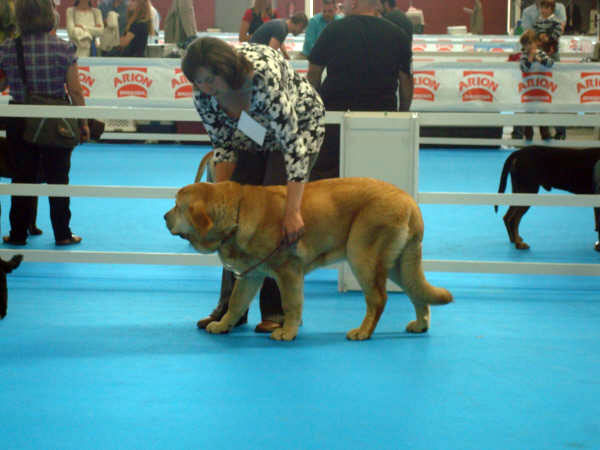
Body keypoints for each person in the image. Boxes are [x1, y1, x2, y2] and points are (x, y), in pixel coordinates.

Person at [181, 37, 325, 333]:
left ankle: (276, 310)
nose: (206, 87)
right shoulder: (204, 97)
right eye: (198, 81)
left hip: (300, 126)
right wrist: (221, 201)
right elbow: (223, 145)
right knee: (231, 222)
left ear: (226, 68)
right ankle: (230, 309)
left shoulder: (262, 80)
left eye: (211, 79)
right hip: (251, 131)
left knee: (272, 221)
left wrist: (292, 211)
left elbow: (294, 148)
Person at [0, 0, 89, 246]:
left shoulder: (8, 48)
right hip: (56, 120)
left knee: (22, 179)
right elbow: (76, 91)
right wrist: (82, 122)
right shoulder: (64, 48)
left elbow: (1, 85)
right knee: (58, 179)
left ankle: (17, 233)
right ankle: (62, 233)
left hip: (20, 119)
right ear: (49, 14)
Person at [307, 0, 412, 180]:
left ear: (354, 3)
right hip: (381, 118)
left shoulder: (333, 30)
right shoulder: (398, 34)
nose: (342, 5)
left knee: (325, 178)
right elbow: (406, 80)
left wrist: (316, 105)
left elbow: (314, 72)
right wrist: (401, 115)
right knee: (377, 178)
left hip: (334, 117)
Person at [518, 29, 554, 141]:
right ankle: (528, 136)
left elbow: (550, 64)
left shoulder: (541, 53)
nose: (529, 46)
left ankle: (545, 135)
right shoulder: (523, 56)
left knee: (543, 113)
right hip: (528, 91)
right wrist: (530, 58)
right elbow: (523, 68)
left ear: (536, 43)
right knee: (528, 114)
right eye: (526, 44)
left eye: (530, 43)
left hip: (542, 89)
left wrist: (539, 60)